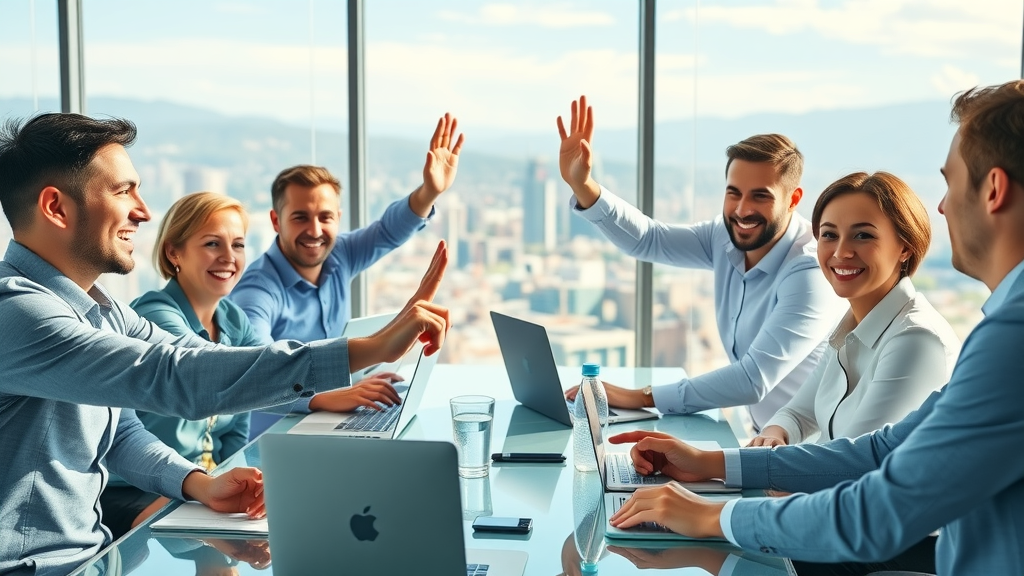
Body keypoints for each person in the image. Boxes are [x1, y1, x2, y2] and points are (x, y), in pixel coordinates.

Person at [0, 113, 450, 576]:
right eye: (123, 191)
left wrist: (198, 483)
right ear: (56, 208)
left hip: (91, 559)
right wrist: (370, 348)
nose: (143, 210)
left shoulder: (101, 309)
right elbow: (175, 377)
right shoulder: (18, 313)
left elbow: (123, 428)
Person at [606, 80, 1024, 575]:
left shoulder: (1006, 337)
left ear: (993, 190)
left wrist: (713, 515)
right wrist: (710, 463)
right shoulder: (990, 325)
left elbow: (875, 508)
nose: (943, 206)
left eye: (951, 184)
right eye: (829, 234)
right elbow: (880, 450)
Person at [558, 95, 844, 432]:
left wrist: (640, 397)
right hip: (760, 436)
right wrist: (584, 186)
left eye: (760, 196)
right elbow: (650, 239)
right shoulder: (724, 236)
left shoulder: (810, 274)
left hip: (809, 452)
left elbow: (753, 379)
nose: (741, 210)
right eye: (733, 192)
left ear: (794, 199)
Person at [230, 114, 462, 432]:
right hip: (276, 438)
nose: (314, 230)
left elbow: (387, 231)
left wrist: (428, 192)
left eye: (325, 217)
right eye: (300, 217)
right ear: (275, 221)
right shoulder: (258, 289)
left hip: (328, 423)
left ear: (338, 218)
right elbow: (254, 371)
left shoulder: (340, 254)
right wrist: (323, 397)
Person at [748, 172, 960, 447]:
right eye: (829, 235)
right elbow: (798, 413)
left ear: (904, 247)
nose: (840, 252)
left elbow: (850, 462)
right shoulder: (850, 328)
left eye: (862, 235)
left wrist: (725, 465)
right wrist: (773, 435)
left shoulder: (916, 340)